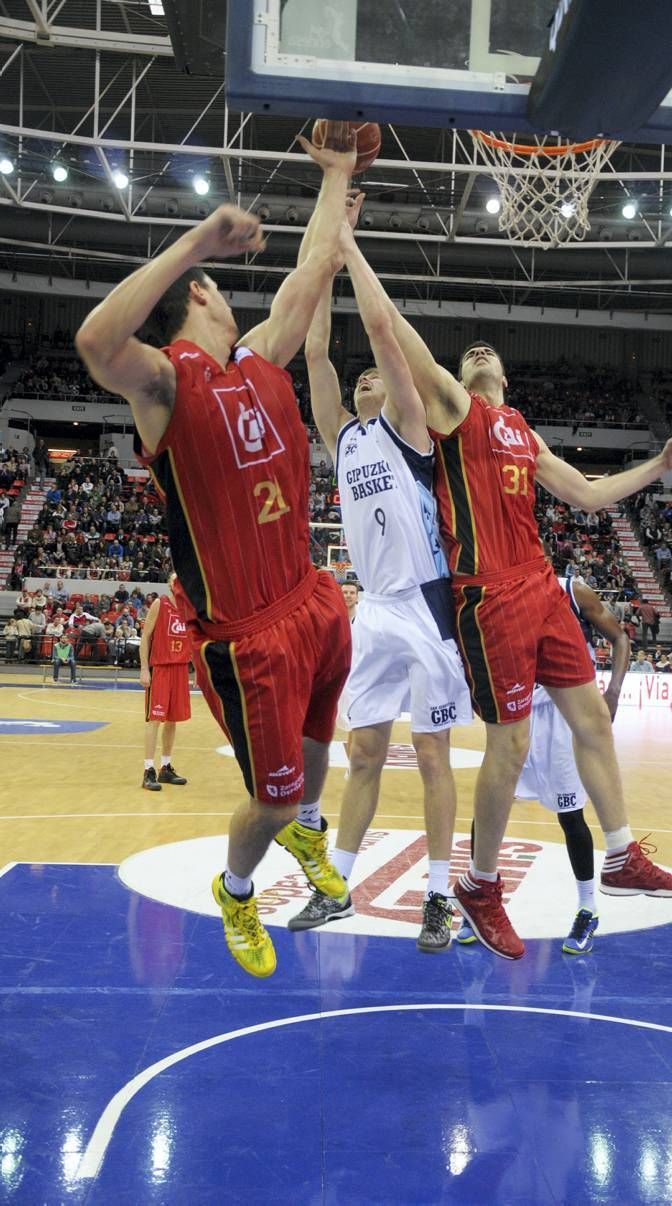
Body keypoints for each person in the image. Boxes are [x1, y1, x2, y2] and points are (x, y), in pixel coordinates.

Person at [341, 230, 672, 957]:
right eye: (469, 351)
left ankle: (623, 851)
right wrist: (347, 242)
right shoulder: (453, 409)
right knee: (510, 744)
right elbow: (387, 327)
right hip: (488, 595)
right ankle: (478, 883)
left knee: (592, 723)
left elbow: (593, 494)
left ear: (505, 372)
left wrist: (658, 466)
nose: (477, 351)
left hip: (541, 587)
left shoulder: (522, 433)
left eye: (486, 351)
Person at [75, 129, 359, 978]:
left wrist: (337, 177)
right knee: (270, 799)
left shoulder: (260, 358)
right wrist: (196, 238)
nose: (243, 296)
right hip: (248, 634)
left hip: (312, 598)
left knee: (316, 750)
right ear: (200, 292)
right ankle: (237, 891)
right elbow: (95, 344)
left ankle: (307, 831)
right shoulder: (165, 382)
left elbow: (310, 275)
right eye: (217, 282)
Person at [292, 198, 472, 951]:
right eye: (360, 379)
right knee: (363, 752)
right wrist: (323, 265)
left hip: (425, 602)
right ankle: (335, 886)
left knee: (431, 751)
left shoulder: (405, 424)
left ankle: (438, 895)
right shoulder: (343, 439)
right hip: (372, 609)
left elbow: (384, 343)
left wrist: (351, 243)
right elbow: (315, 355)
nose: (366, 379)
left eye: (374, 377)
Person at [459, 574, 631, 955]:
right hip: (516, 710)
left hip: (560, 713)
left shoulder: (572, 589)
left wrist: (613, 691)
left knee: (571, 816)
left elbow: (620, 637)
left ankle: (588, 907)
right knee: (489, 807)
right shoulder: (495, 592)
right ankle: (479, 900)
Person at [138, 575, 192, 791]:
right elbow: (145, 637)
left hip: (180, 669)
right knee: (155, 720)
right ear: (171, 584)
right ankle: (148, 770)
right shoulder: (160, 604)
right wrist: (144, 669)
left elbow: (194, 639)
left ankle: (165, 767)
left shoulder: (190, 608)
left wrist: (195, 669)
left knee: (173, 720)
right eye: (176, 580)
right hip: (160, 668)